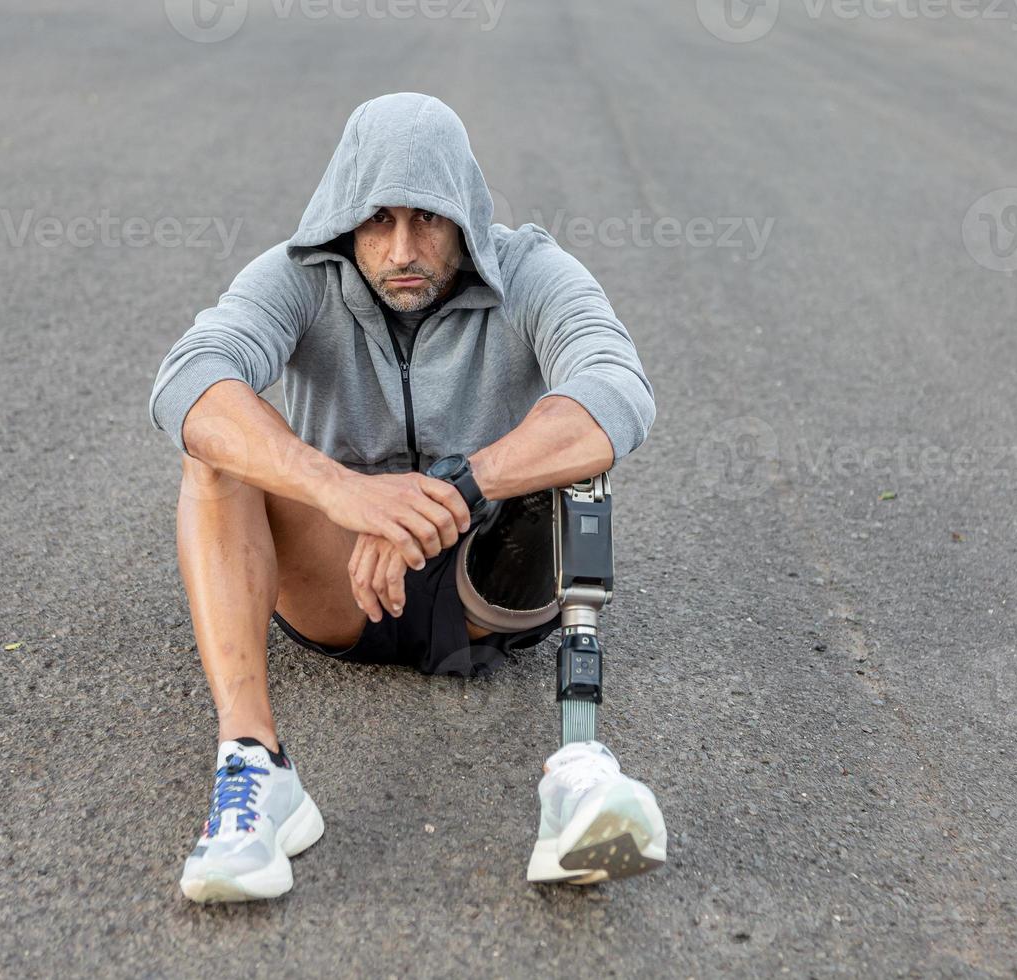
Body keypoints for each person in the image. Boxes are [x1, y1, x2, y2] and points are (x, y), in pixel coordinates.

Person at [148, 92, 664, 903]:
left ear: (466, 213)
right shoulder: (296, 276)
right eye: (377, 221)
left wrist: (460, 487)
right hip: (342, 583)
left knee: (579, 455)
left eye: (428, 220)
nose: (402, 250)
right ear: (343, 218)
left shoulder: (530, 270)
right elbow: (188, 380)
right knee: (214, 457)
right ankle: (254, 769)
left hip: (486, 587)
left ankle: (579, 772)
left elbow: (620, 389)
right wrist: (344, 491)